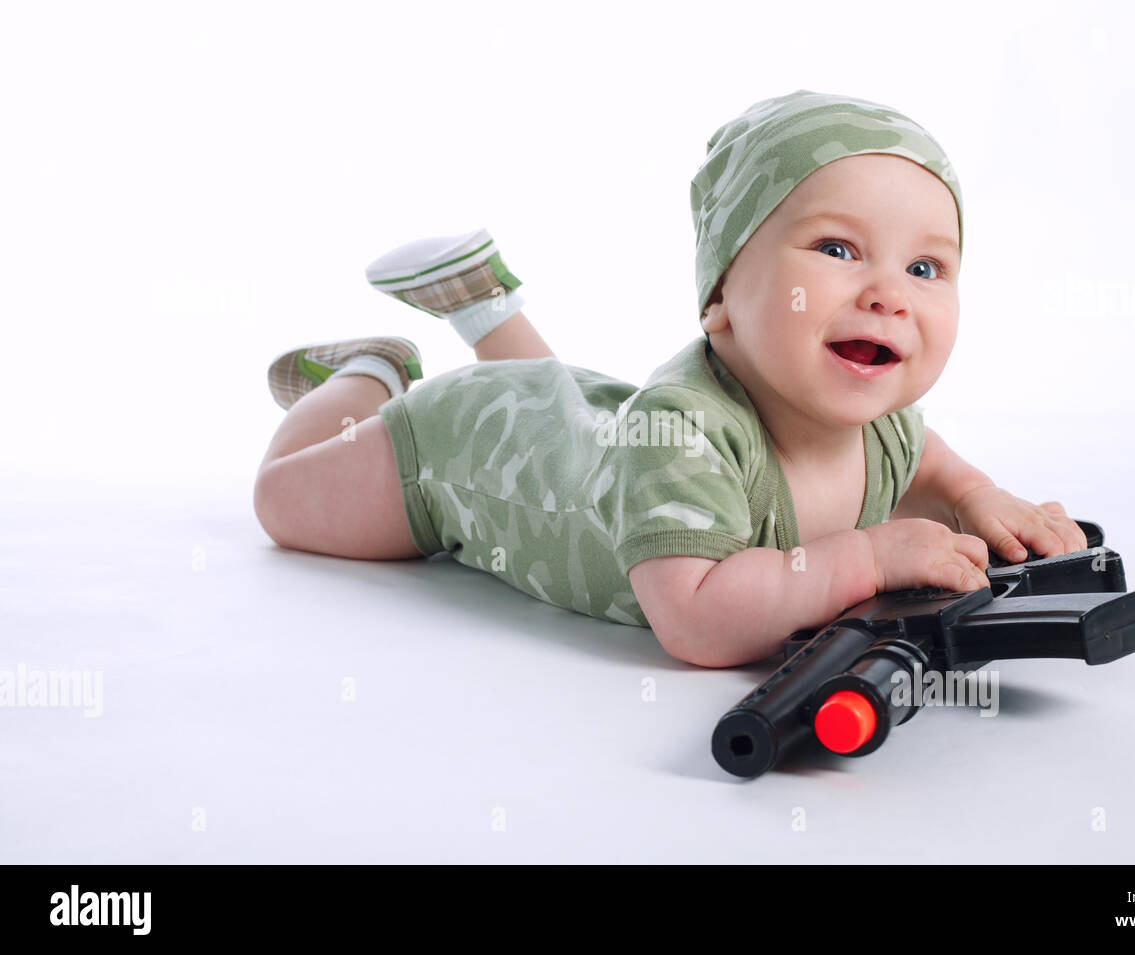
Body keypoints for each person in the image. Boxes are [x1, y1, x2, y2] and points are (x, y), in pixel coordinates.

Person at [253, 89, 1087, 667]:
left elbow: (927, 461)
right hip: (457, 455)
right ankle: (371, 373)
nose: (889, 295)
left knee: (563, 407)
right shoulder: (685, 434)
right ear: (721, 294)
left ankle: (483, 305)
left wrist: (977, 497)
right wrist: (867, 556)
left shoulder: (885, 422)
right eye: (837, 250)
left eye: (926, 267)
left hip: (575, 422)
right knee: (282, 501)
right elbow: (693, 615)